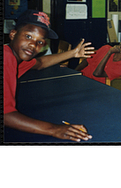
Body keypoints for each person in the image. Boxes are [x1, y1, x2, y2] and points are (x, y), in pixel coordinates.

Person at [4, 9, 94, 142]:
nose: (33, 45)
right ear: (13, 34)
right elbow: (5, 114)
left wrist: (73, 53)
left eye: (40, 42)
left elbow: (40, 63)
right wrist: (55, 129)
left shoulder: (16, 57)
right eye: (28, 36)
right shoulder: (7, 58)